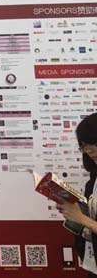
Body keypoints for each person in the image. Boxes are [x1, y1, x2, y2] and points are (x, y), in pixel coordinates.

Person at [57, 112, 97, 277]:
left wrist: (82, 219)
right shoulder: (93, 180)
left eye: (93, 143)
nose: (89, 150)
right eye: (84, 145)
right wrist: (74, 211)